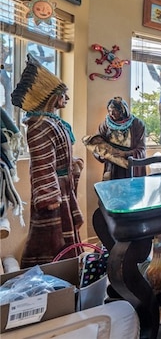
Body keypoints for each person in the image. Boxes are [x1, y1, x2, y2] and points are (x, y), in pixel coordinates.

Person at [11, 54, 84, 268]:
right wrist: (49, 196)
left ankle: (70, 270)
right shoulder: (39, 125)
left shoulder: (53, 122)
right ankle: (53, 274)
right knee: (51, 239)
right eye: (63, 95)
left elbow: (60, 155)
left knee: (67, 235)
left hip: (64, 188)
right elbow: (43, 164)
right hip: (53, 193)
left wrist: (73, 164)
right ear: (52, 97)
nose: (66, 100)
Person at [84, 97, 146, 180]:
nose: (111, 114)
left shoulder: (137, 124)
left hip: (130, 167)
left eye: (115, 111)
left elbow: (141, 149)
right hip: (112, 167)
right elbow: (96, 144)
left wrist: (125, 153)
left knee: (131, 190)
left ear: (123, 110)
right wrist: (102, 155)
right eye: (109, 111)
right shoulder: (105, 125)